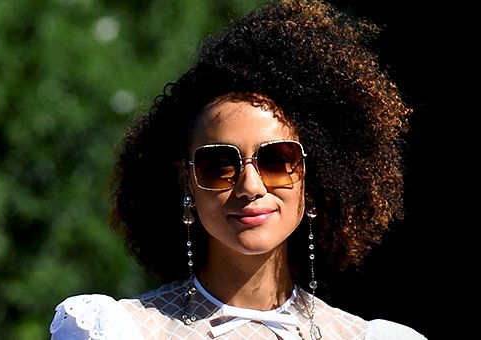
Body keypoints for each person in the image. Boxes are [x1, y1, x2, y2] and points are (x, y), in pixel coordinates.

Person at [48, 0, 426, 339]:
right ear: (187, 183)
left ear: (313, 178)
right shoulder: (115, 331)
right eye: (219, 164)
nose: (250, 186)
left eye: (277, 160)